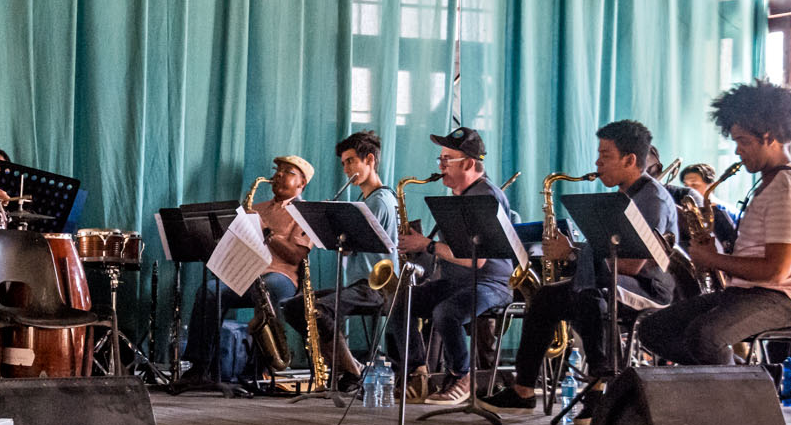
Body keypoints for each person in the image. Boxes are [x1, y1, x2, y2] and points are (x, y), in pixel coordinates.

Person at [638, 80, 791, 365]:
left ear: (770, 136)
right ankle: (737, 381)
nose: (738, 150)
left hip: (782, 299)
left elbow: (776, 271)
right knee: (654, 329)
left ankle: (735, 399)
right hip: (748, 293)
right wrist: (714, 255)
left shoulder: (788, 189)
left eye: (744, 141)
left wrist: (713, 258)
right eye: (736, 141)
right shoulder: (769, 184)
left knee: (706, 335)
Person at [493, 119, 677, 406]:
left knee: (591, 298)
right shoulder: (623, 195)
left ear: (630, 160)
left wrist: (572, 253)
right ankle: (523, 390)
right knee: (544, 299)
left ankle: (600, 389)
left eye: (605, 156)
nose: (597, 162)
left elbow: (631, 265)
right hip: (613, 282)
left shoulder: (652, 199)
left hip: (648, 288)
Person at [387, 126, 516, 406]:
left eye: (448, 160)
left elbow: (476, 259)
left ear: (470, 164)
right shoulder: (462, 195)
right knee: (401, 299)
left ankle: (462, 376)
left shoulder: (485, 198)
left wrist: (427, 246)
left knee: (447, 312)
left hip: (491, 283)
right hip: (458, 282)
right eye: (441, 159)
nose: (441, 165)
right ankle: (417, 371)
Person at [281, 130, 399, 383]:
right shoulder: (363, 198)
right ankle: (349, 365)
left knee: (320, 310)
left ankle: (351, 373)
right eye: (344, 163)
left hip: (377, 288)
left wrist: (334, 223)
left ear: (369, 160)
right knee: (293, 306)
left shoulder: (380, 200)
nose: (345, 169)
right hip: (358, 284)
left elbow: (358, 244)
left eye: (350, 161)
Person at [185, 154, 314, 382]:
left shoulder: (306, 213)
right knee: (209, 290)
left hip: (281, 276)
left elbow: (296, 256)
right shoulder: (258, 207)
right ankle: (200, 365)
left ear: (302, 183)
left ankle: (261, 367)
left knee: (269, 289)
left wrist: (265, 231)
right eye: (278, 171)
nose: (279, 175)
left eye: (288, 172)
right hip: (247, 273)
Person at [678, 163, 739, 248]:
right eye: (686, 186)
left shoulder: (728, 211)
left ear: (710, 185)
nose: (689, 190)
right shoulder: (688, 212)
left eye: (694, 185)